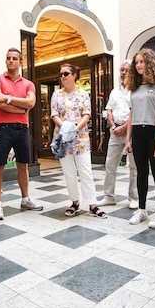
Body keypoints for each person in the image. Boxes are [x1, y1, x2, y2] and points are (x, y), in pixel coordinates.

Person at [0, 47, 43, 220]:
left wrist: (9, 98)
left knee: (23, 165)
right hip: (3, 128)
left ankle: (25, 199)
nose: (10, 60)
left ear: (20, 62)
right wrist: (21, 109)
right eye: (8, 58)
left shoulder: (28, 84)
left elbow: (31, 102)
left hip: (22, 129)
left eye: (14, 58)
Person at [51, 63, 107, 218]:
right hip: (63, 139)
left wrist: (74, 129)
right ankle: (75, 202)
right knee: (69, 173)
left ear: (75, 75)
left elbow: (86, 114)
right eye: (61, 74)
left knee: (86, 172)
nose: (63, 77)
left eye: (66, 73)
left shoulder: (83, 94)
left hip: (80, 139)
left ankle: (92, 204)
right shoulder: (56, 94)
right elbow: (54, 114)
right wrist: (66, 129)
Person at [125, 49, 155, 226]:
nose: (138, 65)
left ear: (150, 62)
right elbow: (131, 115)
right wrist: (128, 140)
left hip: (154, 132)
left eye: (142, 61)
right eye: (136, 62)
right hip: (137, 133)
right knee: (141, 173)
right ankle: (142, 209)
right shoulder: (134, 88)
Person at [98, 61, 138, 209]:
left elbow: (136, 112)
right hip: (114, 132)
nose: (123, 73)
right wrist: (114, 126)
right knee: (110, 164)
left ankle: (134, 197)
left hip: (131, 132)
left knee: (134, 166)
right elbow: (109, 110)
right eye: (121, 70)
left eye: (126, 70)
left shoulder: (136, 91)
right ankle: (109, 196)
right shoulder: (114, 91)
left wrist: (124, 127)